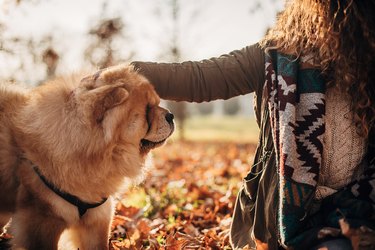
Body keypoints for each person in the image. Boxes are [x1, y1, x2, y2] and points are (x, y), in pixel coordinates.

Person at [131, 0, 375, 249]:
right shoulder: (277, 56)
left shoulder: (367, 69)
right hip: (287, 223)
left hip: (359, 213)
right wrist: (127, 72)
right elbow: (200, 78)